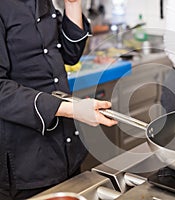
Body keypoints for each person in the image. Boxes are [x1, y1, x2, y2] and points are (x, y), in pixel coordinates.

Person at [0, 0, 117, 199]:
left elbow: (70, 54)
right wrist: (71, 110)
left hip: (65, 146)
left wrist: (72, 4)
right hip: (26, 157)